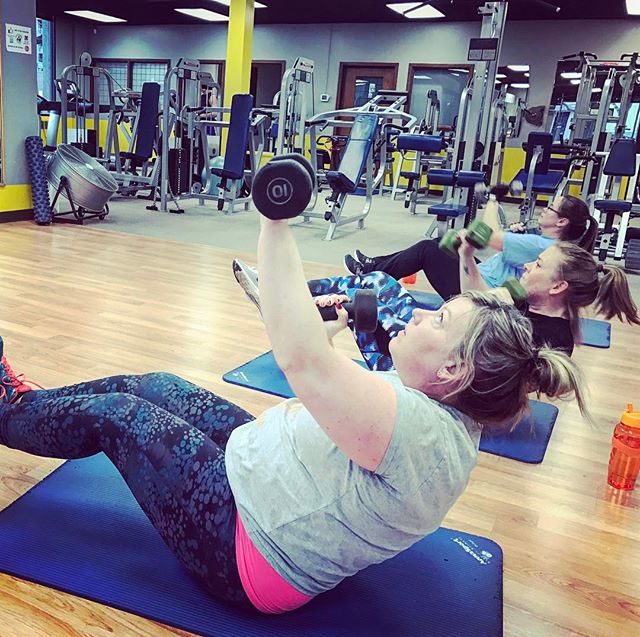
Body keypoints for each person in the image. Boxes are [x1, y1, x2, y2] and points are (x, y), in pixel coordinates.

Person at [0, 215, 589, 616]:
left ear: (455, 371)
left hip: (245, 547)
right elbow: (336, 380)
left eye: (438, 321)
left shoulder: (424, 433)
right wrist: (332, 328)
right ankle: (33, 402)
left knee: (120, 417)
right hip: (260, 466)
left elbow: (302, 362)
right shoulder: (436, 403)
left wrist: (272, 218)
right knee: (154, 384)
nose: (420, 314)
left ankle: (6, 414)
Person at [232, 234, 638, 370]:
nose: (528, 265)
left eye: (538, 264)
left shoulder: (549, 339)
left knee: (368, 300)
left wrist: (414, 324)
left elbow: (477, 375)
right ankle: (284, 296)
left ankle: (283, 303)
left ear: (557, 288)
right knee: (376, 282)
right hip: (435, 351)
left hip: (424, 376)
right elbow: (467, 303)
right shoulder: (525, 303)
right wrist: (462, 257)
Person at [344, 195, 598, 301]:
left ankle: (370, 275)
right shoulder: (549, 244)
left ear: (562, 222)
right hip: (482, 278)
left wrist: (491, 203)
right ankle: (372, 268)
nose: (544, 209)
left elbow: (485, 234)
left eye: (550, 208)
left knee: (427, 250)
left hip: (475, 291)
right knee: (435, 246)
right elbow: (500, 246)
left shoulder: (542, 245)